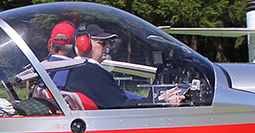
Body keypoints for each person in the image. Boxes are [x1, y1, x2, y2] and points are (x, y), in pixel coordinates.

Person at [45, 22, 182, 109]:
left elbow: (117, 97)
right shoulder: (91, 73)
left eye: (109, 42)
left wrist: (151, 98)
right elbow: (122, 106)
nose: (108, 46)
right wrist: (160, 102)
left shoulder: (75, 69)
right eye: (102, 42)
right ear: (83, 44)